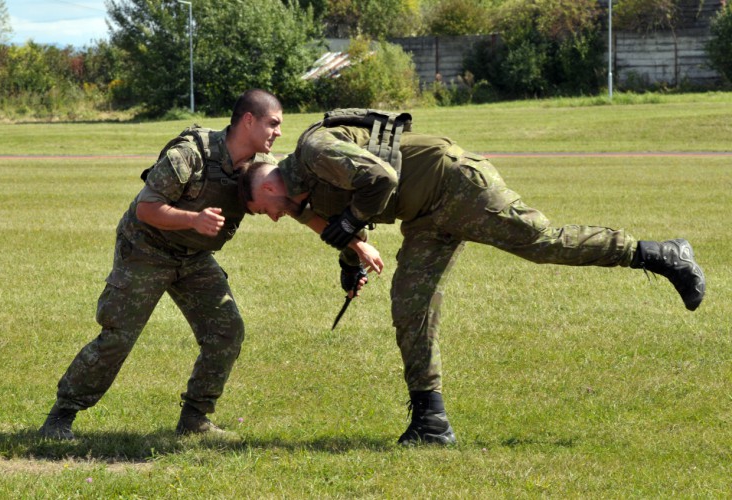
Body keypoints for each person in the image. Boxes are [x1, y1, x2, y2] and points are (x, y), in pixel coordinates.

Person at [238, 109, 706, 446]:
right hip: (424, 218)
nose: (274, 218)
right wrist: (349, 262)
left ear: (270, 184)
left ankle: (661, 255)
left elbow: (379, 178)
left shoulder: (314, 152)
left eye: (265, 209)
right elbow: (348, 222)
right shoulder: (302, 199)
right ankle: (431, 422)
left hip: (456, 183)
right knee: (410, 305)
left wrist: (351, 221)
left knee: (543, 243)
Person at [38, 89, 284, 440]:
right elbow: (146, 208)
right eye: (273, 124)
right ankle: (60, 417)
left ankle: (195, 418)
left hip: (194, 257)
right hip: (146, 249)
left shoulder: (258, 165)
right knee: (118, 337)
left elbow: (285, 195)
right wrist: (194, 220)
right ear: (248, 120)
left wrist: (350, 244)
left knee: (226, 330)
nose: (278, 132)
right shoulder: (191, 154)